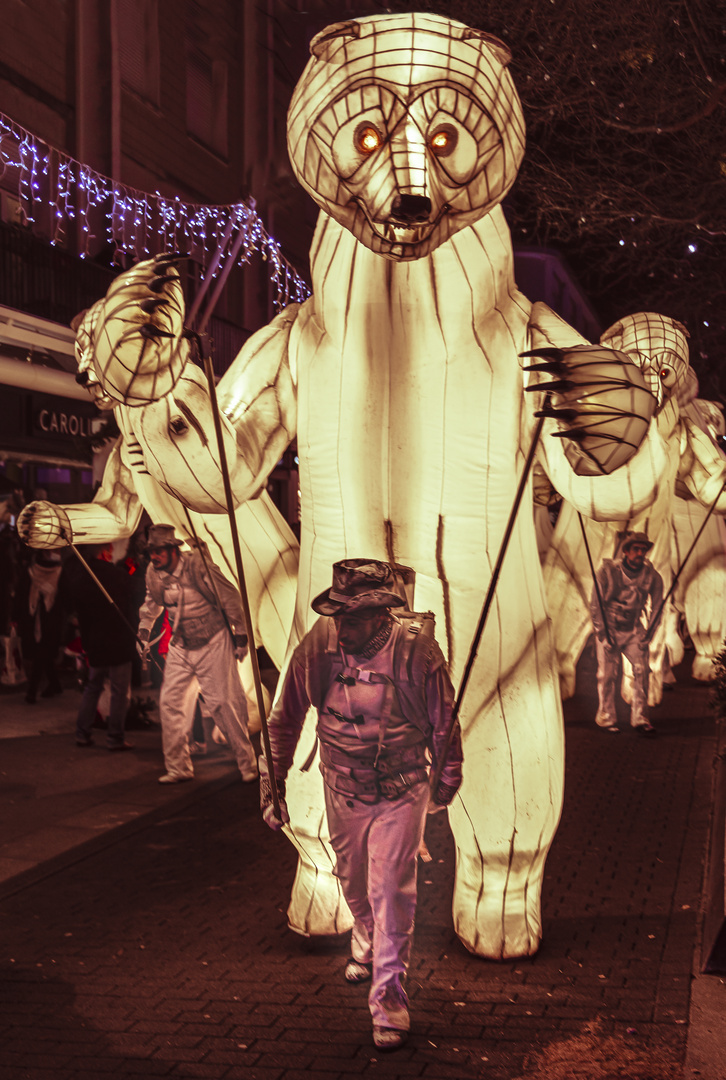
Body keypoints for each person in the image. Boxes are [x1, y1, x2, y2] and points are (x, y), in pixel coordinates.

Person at [260, 558, 463, 1051]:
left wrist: (446, 783)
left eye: (351, 617)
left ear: (380, 615)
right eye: (337, 614)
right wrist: (273, 784)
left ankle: (389, 1001)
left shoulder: (418, 654)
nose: (341, 625)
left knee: (391, 890)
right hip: (340, 786)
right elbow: (284, 719)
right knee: (352, 881)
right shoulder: (319, 645)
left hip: (402, 788)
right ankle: (365, 937)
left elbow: (445, 725)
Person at [137, 523, 258, 784]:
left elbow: (231, 599)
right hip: (181, 645)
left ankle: (247, 763)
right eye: (151, 552)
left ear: (173, 550)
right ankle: (178, 768)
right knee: (170, 703)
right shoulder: (153, 573)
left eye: (159, 551)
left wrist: (241, 636)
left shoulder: (199, 566)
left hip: (213, 640)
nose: (154, 557)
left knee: (223, 703)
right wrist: (144, 630)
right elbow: (151, 604)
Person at [61, 543, 137, 750]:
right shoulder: (112, 574)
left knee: (93, 686)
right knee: (119, 691)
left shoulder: (80, 576)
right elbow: (132, 591)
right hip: (118, 640)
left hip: (95, 641)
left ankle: (82, 733)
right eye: (110, 550)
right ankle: (115, 737)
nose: (112, 554)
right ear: (103, 552)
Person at [590, 531, 664, 734]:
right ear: (626, 551)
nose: (640, 553)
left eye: (643, 550)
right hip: (609, 628)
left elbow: (658, 607)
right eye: (636, 549)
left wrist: (649, 633)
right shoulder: (607, 572)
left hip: (633, 629)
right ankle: (606, 717)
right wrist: (603, 634)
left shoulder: (652, 576)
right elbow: (595, 605)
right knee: (606, 674)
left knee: (642, 670)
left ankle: (640, 718)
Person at [16, 548, 65, 703]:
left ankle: (32, 691)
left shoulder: (31, 570)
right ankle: (55, 684)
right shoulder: (59, 572)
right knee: (44, 653)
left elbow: (20, 594)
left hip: (40, 617)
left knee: (41, 652)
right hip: (45, 618)